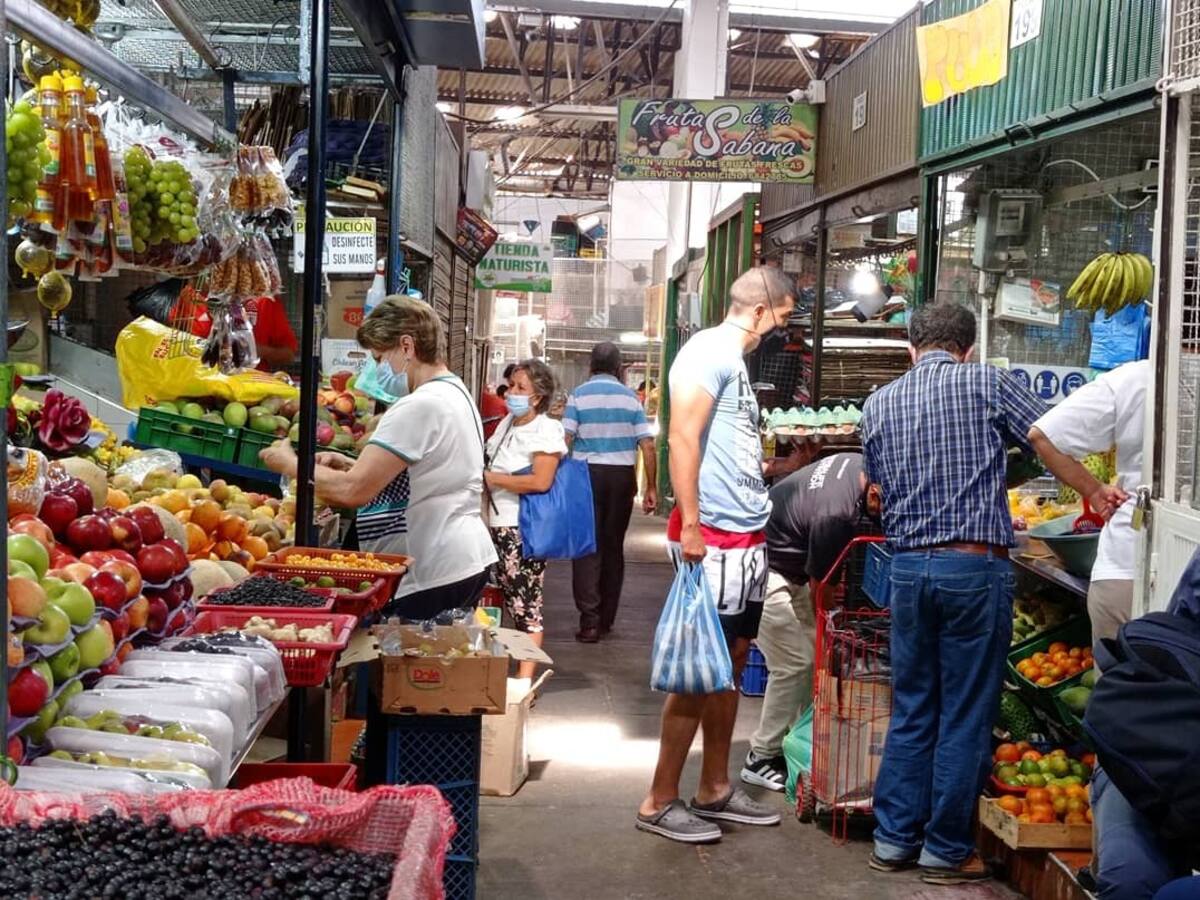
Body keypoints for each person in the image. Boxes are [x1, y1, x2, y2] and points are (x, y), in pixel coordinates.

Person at [860, 303, 1048, 884]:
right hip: (972, 568)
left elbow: (876, 489)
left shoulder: (878, 402)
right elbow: (1050, 434)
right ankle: (944, 850)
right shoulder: (988, 381)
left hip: (907, 570)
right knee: (965, 713)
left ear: (911, 349)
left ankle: (893, 840)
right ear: (968, 348)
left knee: (913, 706)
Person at [636, 266, 797, 845]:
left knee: (729, 663)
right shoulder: (709, 352)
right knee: (698, 670)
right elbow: (682, 436)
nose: (782, 330)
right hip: (715, 537)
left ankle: (714, 788)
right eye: (783, 317)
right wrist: (692, 524)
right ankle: (658, 800)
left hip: (745, 538)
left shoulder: (734, 362)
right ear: (759, 311)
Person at [260, 296, 496, 619]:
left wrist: (290, 463)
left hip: (430, 568)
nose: (376, 370)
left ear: (407, 346)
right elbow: (429, 471)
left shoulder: (418, 406)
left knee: (409, 652)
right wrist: (351, 466)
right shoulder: (455, 393)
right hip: (462, 560)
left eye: (379, 358)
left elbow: (352, 491)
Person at [741, 451, 880, 791]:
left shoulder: (857, 462)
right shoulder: (837, 513)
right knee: (796, 664)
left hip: (785, 567)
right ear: (875, 494)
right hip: (762, 570)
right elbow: (822, 587)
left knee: (816, 659)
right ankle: (760, 756)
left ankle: (798, 742)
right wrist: (830, 623)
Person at [1028, 360, 1145, 650]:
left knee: (1119, 675)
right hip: (1185, 572)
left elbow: (1042, 436)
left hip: (1126, 562)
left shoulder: (1135, 378)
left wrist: (1094, 491)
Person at [564, 342, 658, 642]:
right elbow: (647, 445)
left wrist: (561, 478)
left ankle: (589, 622)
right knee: (613, 547)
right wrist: (651, 486)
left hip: (586, 476)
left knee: (587, 548)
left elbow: (565, 438)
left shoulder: (578, 395)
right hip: (621, 478)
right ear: (619, 368)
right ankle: (606, 619)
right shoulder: (631, 399)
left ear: (591, 365)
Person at [484, 359, 567, 678]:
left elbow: (541, 481)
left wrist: (493, 479)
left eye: (521, 388)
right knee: (505, 600)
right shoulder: (508, 423)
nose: (511, 393)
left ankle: (523, 680)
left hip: (522, 528)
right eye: (511, 386)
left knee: (525, 606)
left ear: (537, 397)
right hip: (496, 523)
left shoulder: (546, 429)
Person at [192, 294, 299, 371]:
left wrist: (255, 350)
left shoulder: (266, 301)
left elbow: (288, 355)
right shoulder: (195, 297)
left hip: (250, 388)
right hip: (206, 384)